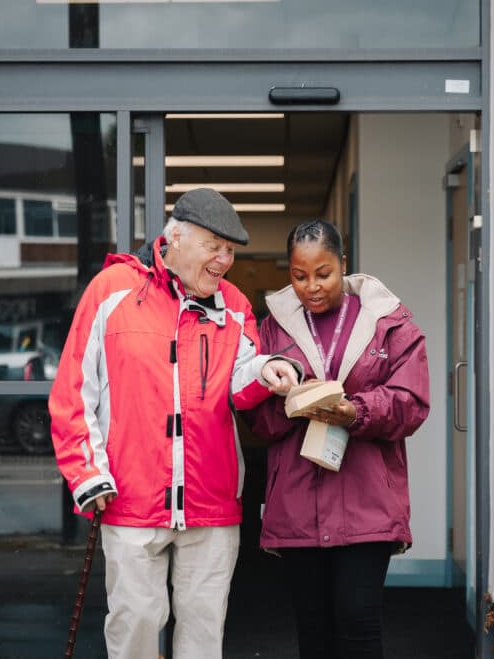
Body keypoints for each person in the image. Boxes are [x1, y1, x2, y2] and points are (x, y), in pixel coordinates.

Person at [49, 187, 301, 659]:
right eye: (215, 247)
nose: (225, 260)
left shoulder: (234, 304)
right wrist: (88, 474)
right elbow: (72, 393)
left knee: (204, 633)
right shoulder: (112, 290)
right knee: (136, 627)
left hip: (211, 500)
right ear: (176, 238)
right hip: (131, 497)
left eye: (230, 250)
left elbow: (239, 383)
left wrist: (267, 371)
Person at [243, 219, 430, 659]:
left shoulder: (389, 322)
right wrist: (290, 401)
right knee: (314, 632)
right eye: (298, 275)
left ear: (343, 265)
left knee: (359, 625)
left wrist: (354, 411)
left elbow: (412, 402)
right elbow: (254, 415)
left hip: (367, 501)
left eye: (323, 273)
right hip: (297, 502)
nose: (312, 286)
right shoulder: (272, 328)